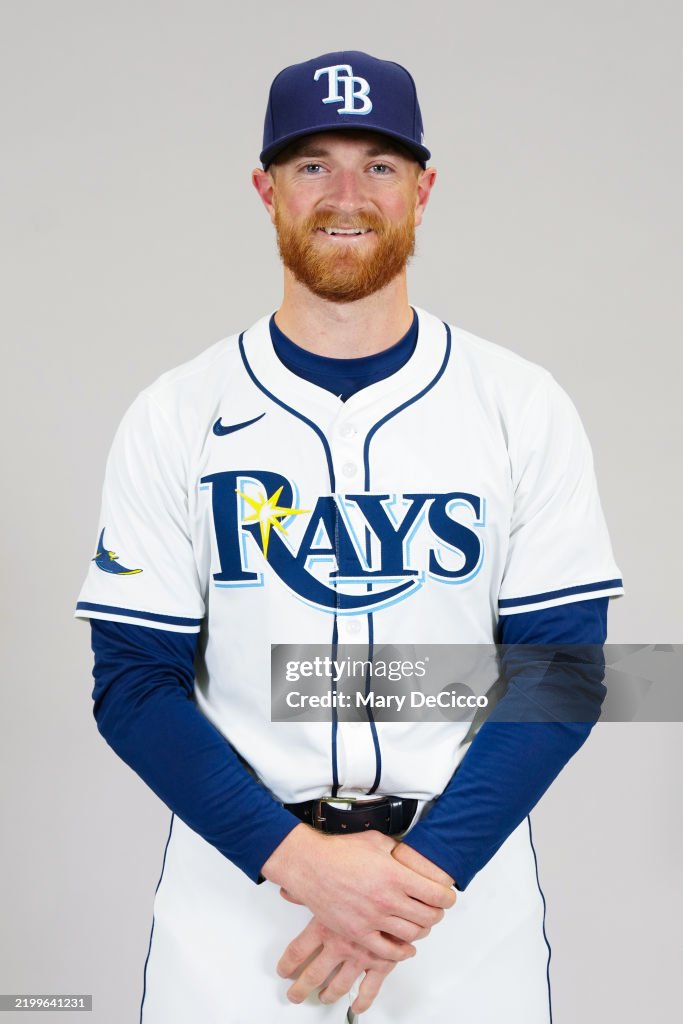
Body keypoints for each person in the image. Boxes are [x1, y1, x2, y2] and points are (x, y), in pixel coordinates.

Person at [76, 51, 623, 1023]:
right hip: (236, 886)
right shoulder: (176, 414)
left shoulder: (517, 406)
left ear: (421, 188)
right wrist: (301, 865)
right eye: (310, 163)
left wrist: (413, 876)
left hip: (454, 895)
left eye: (376, 164)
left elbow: (558, 669)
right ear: (265, 188)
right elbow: (131, 677)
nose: (344, 193)